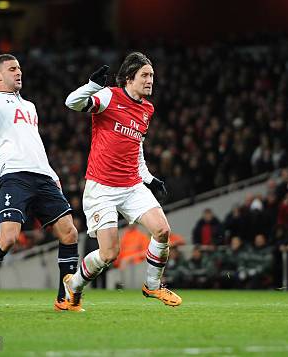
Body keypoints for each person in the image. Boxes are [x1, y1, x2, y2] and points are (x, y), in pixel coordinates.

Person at [0, 55, 79, 311]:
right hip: (15, 176)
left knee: (69, 232)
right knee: (9, 237)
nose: (18, 73)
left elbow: (34, 143)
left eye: (20, 68)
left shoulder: (31, 106)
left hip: (42, 176)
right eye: (12, 69)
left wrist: (53, 174)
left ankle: (63, 299)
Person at [63, 52, 181, 311]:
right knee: (108, 254)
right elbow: (71, 103)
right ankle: (74, 286)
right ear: (130, 78)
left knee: (162, 230)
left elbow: (136, 147)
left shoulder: (147, 109)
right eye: (145, 75)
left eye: (152, 75)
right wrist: (92, 86)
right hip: (101, 187)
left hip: (131, 185)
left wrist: (149, 178)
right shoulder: (108, 96)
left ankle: (153, 285)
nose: (150, 80)